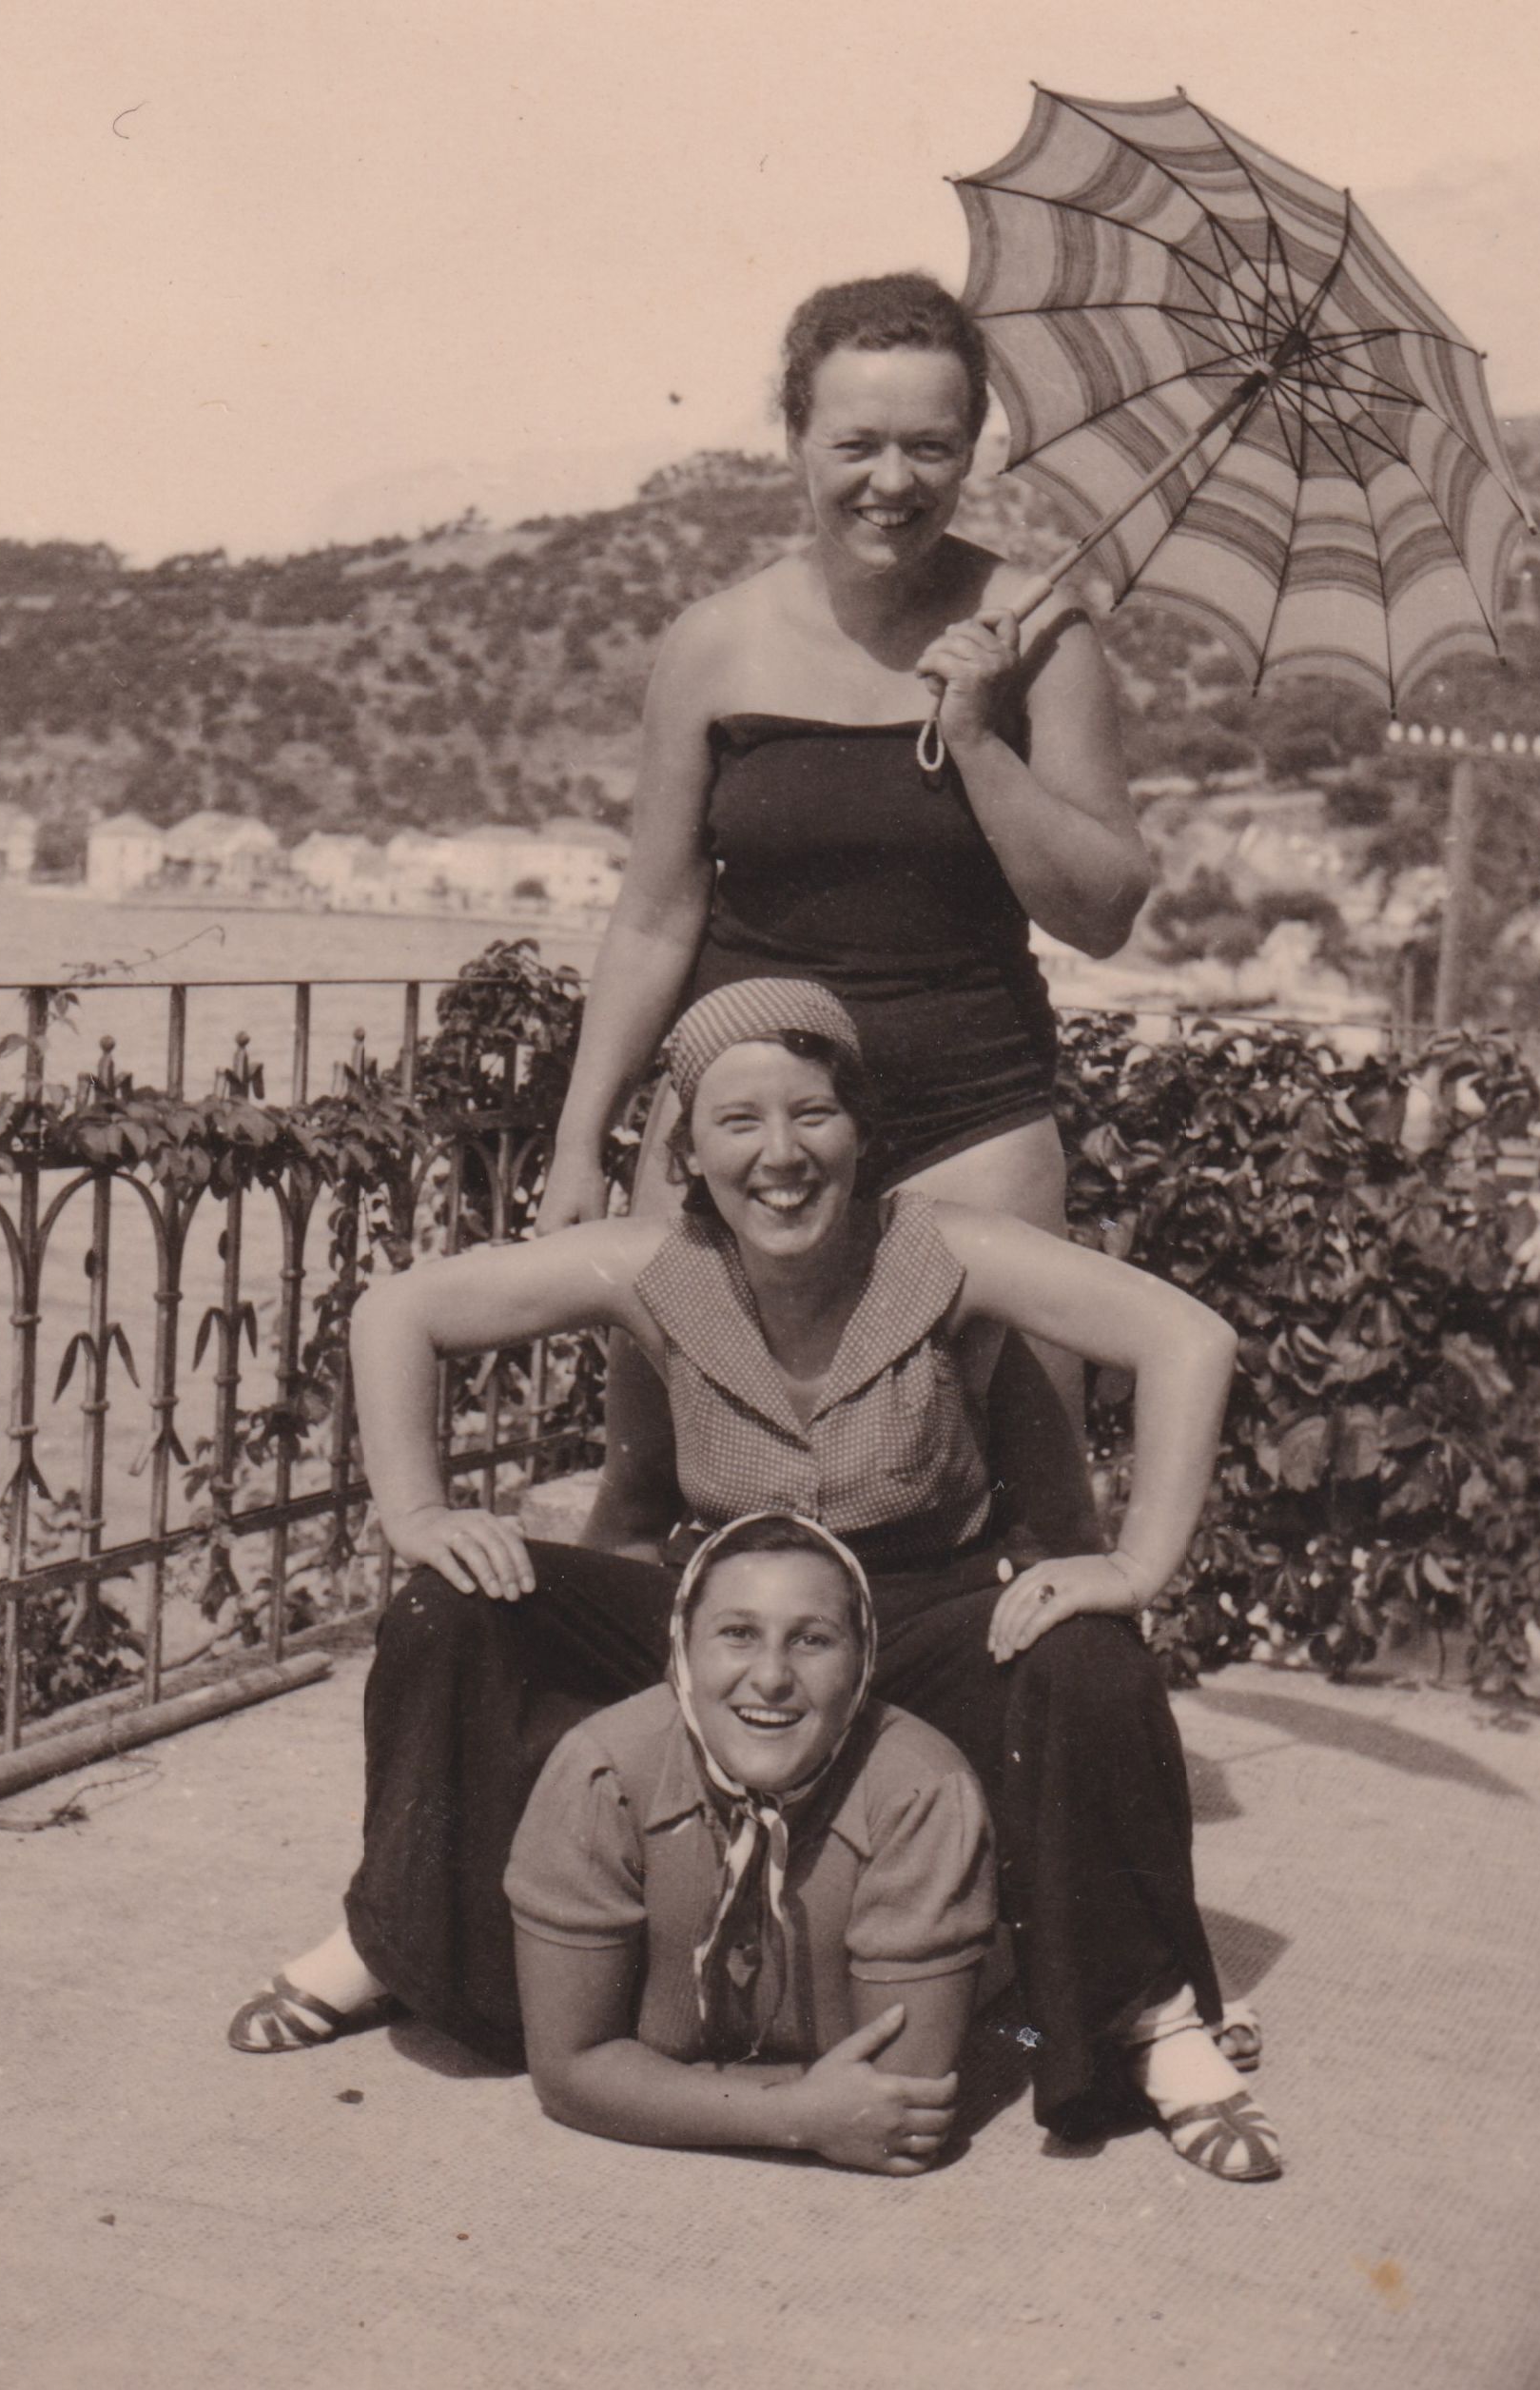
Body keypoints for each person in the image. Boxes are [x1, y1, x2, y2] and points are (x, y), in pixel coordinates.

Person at [228, 979, 1278, 2182]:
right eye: (738, 1122)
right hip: (721, 1613)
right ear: (690, 1153)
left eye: (812, 1114)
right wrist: (417, 1513)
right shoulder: (655, 1266)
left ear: (861, 1132)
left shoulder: (943, 1249)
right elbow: (396, 1310)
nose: (780, 1155)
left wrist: (1133, 1565)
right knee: (449, 1605)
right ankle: (400, 1940)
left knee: (1091, 1661)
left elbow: (1187, 1337)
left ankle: (1148, 2016)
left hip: (919, 1614)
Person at [530, 271, 1152, 1550]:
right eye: (857, 443)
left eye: (931, 446)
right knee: (647, 1493)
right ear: (795, 438)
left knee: (1043, 1515)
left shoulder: (1041, 634)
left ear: (973, 447)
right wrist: (580, 1142)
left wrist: (978, 738)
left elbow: (1103, 911)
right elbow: (653, 917)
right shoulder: (714, 644)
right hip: (741, 1116)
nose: (893, 481)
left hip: (969, 1116)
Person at [507, 1512, 989, 2176]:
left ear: (861, 1662)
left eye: (812, 1640)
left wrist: (650, 2085)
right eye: (738, 1634)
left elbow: (896, 2105)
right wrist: (793, 2116)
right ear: (682, 1652)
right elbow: (568, 2070)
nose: (771, 1677)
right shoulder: (602, 1772)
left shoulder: (922, 1790)